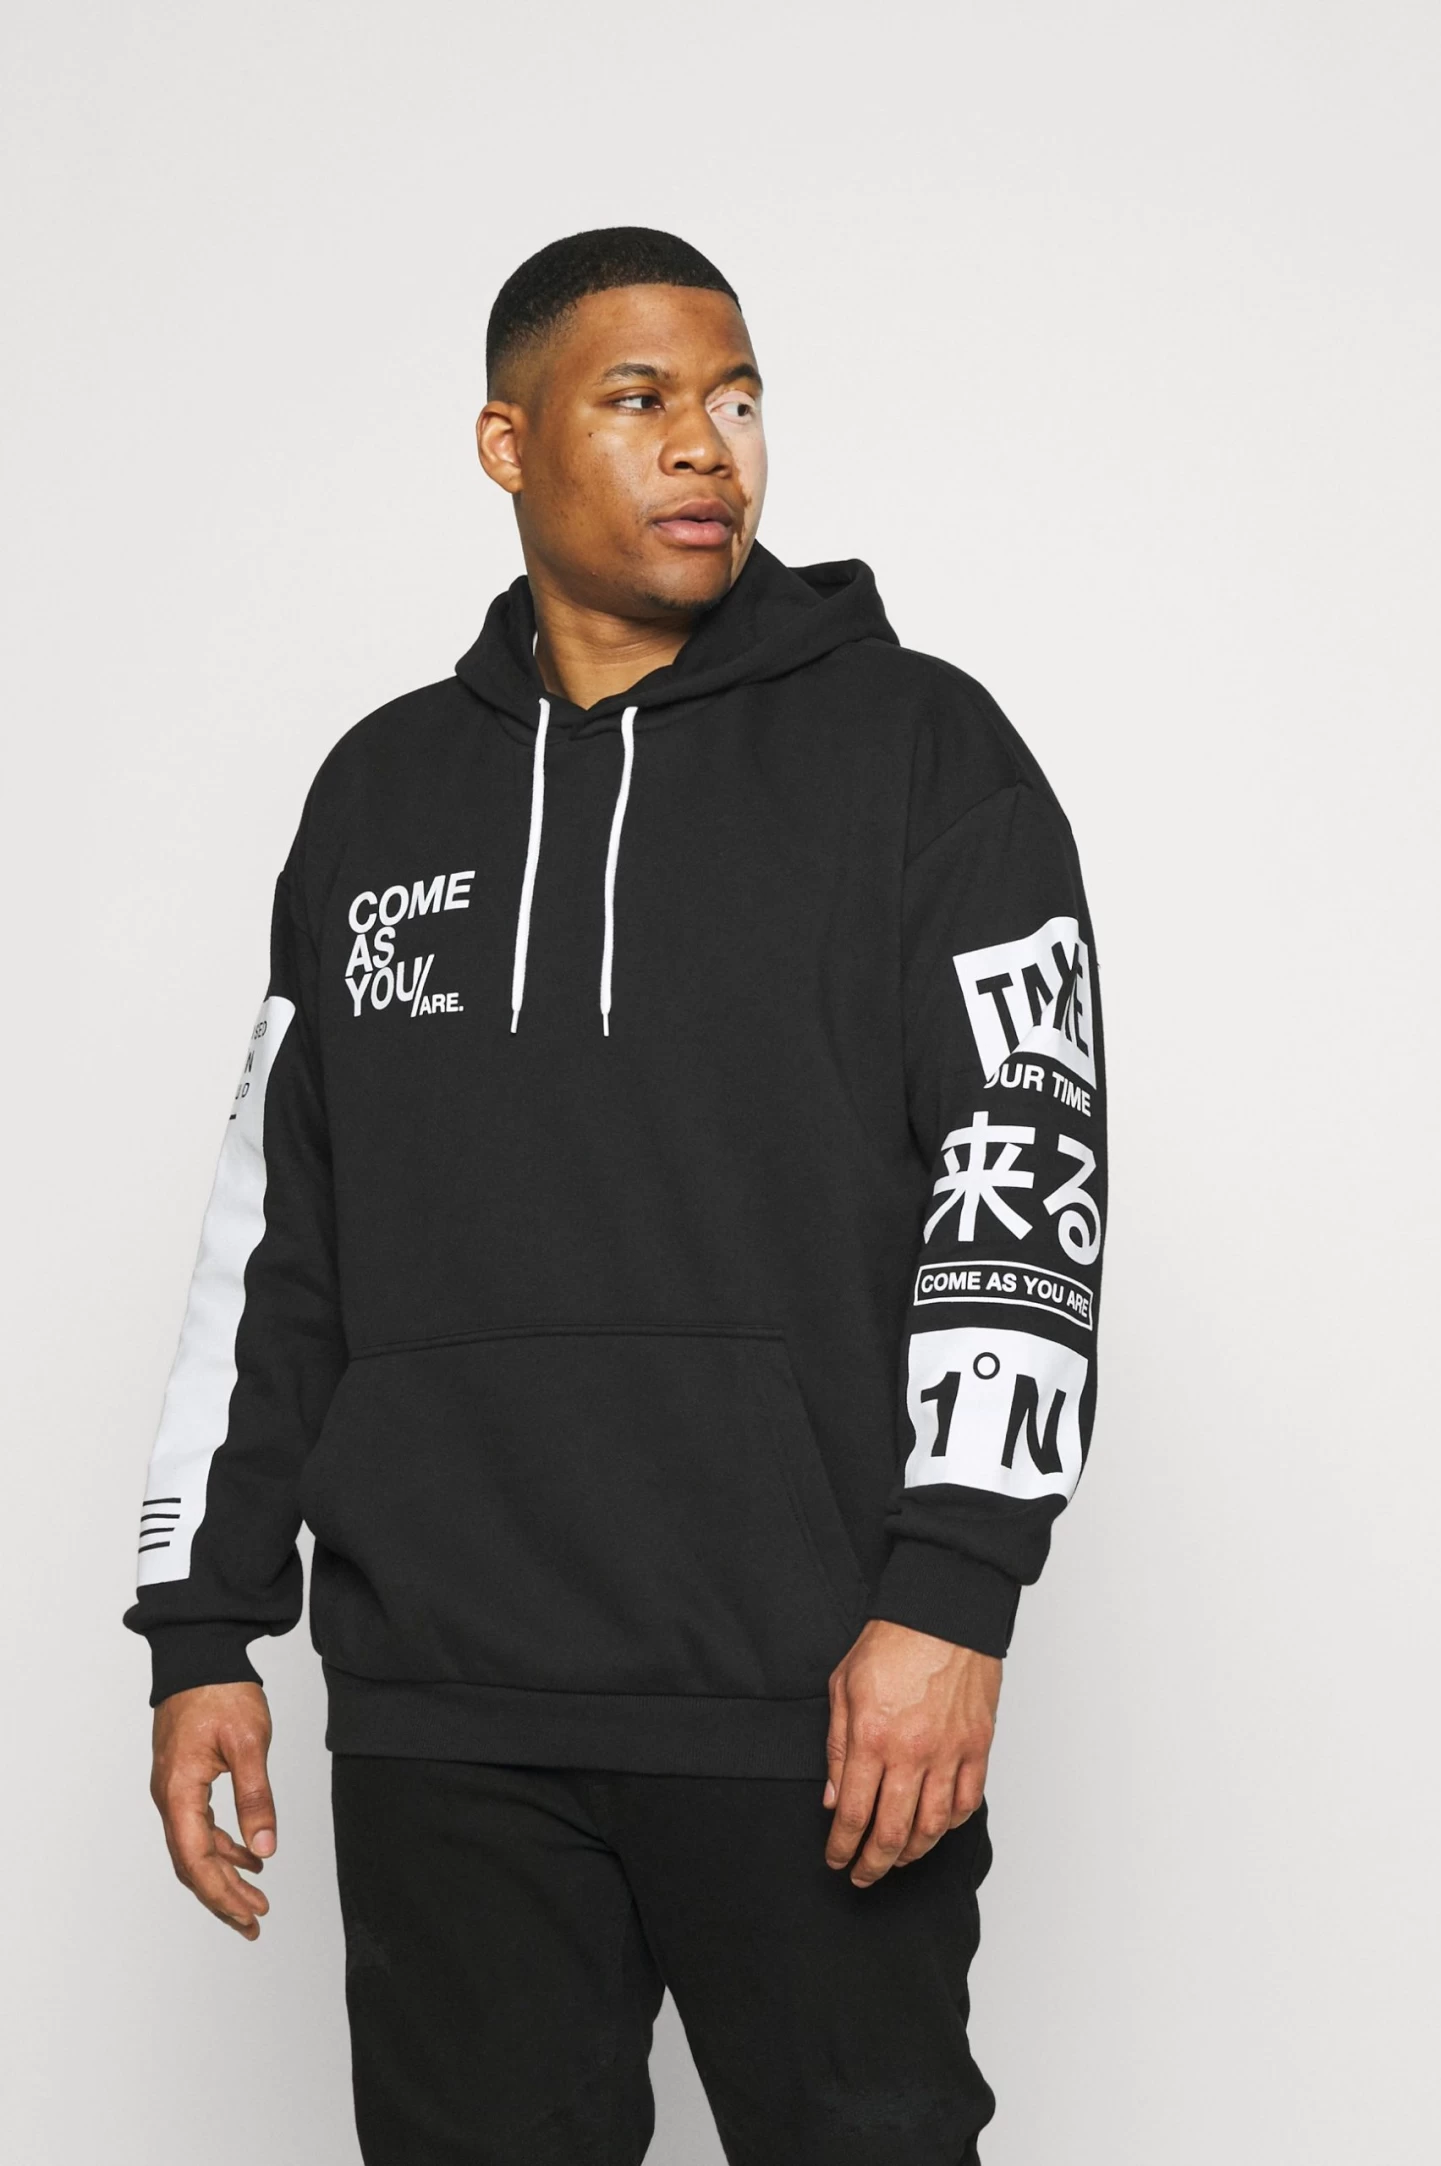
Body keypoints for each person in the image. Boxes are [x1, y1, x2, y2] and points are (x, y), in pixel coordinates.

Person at [125, 226, 1108, 2166]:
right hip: (443, 1705)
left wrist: (952, 1597)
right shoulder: (377, 799)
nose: (705, 447)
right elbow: (280, 1240)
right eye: (642, 399)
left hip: (809, 1692)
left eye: (736, 400)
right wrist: (203, 1622)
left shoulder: (924, 752)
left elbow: (1026, 1174)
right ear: (507, 442)